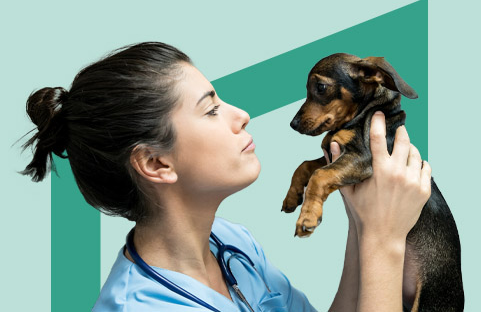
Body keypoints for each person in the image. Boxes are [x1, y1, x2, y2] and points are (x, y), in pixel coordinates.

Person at [21, 42, 432, 311]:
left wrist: (366, 221)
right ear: (156, 164)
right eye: (211, 108)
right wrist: (384, 241)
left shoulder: (232, 243)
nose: (242, 115)